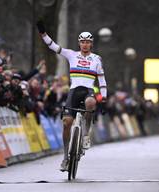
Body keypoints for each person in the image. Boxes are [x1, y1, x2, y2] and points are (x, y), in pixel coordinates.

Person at [36, 20, 108, 172]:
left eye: (88, 42)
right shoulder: (71, 55)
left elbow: (101, 79)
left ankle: (87, 134)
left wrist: (104, 96)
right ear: (79, 43)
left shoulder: (96, 59)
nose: (85, 45)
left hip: (88, 90)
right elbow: (53, 46)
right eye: (83, 42)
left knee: (90, 102)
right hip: (74, 91)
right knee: (67, 123)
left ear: (91, 44)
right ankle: (65, 158)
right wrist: (43, 34)